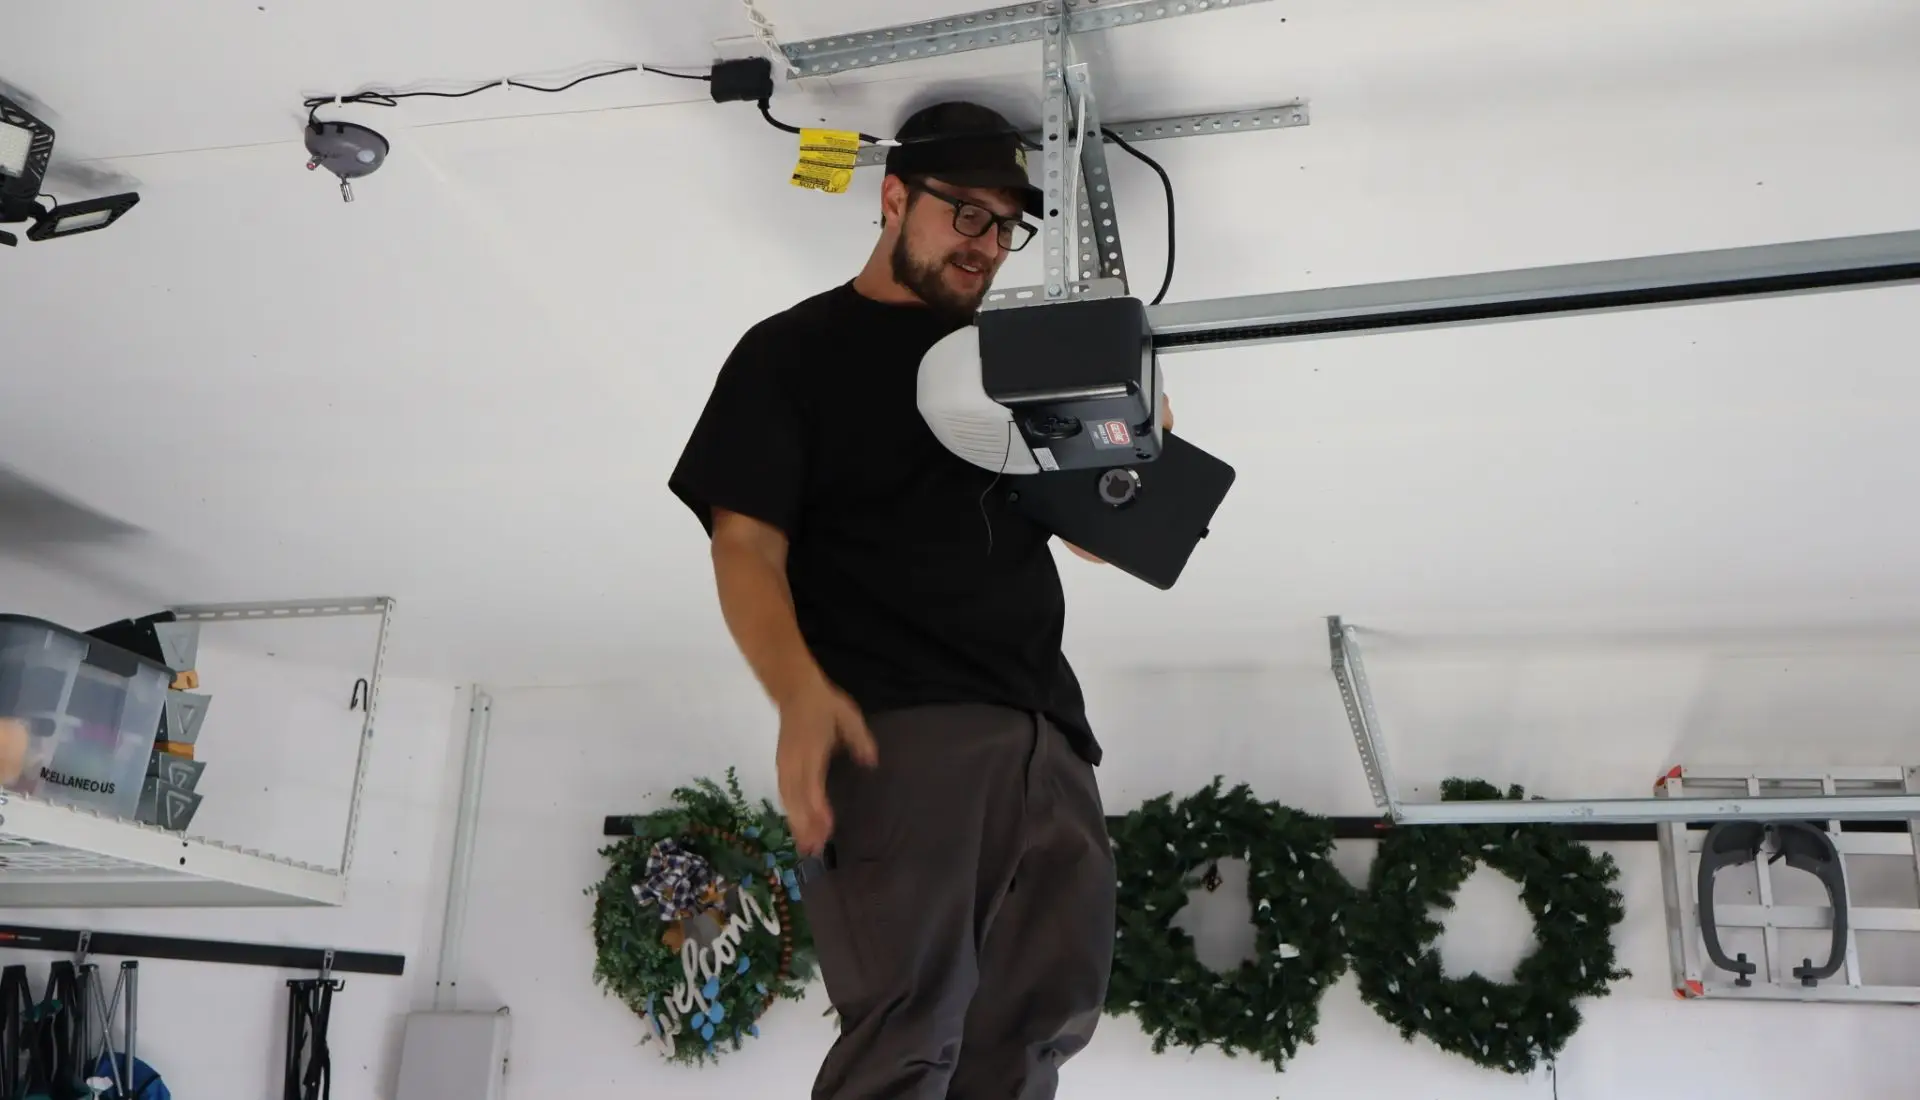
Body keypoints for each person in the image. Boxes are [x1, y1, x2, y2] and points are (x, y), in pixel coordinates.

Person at [668, 101, 1170, 1100]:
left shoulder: (1010, 367)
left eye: (1006, 225)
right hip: (904, 728)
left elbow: (1110, 536)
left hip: (1051, 742)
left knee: (1034, 1034)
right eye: (966, 214)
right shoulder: (792, 352)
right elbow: (745, 545)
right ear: (894, 197)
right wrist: (798, 694)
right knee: (912, 1030)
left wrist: (1133, 421)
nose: (988, 244)